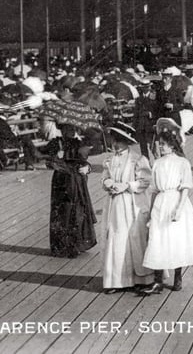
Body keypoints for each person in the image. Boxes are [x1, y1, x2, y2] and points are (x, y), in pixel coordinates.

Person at [142, 125, 193, 294]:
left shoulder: (182, 162)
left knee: (176, 239)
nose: (160, 147)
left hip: (176, 201)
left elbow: (185, 187)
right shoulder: (157, 164)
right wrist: (150, 213)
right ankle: (157, 280)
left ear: (172, 145)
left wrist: (179, 208)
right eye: (159, 144)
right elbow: (154, 190)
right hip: (161, 202)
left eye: (163, 144)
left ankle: (178, 276)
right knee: (157, 238)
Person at [100, 123, 154, 293]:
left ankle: (141, 278)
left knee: (135, 238)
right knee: (117, 238)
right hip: (115, 205)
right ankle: (117, 280)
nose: (114, 143)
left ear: (125, 141)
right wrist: (108, 182)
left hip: (132, 203)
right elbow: (105, 176)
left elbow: (145, 181)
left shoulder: (138, 159)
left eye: (118, 140)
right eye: (113, 140)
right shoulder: (110, 159)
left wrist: (126, 185)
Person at [39, 124, 98, 258]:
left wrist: (87, 168)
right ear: (62, 130)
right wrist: (55, 159)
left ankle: (76, 244)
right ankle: (60, 245)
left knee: (77, 210)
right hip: (61, 181)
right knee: (61, 211)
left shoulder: (79, 143)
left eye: (73, 129)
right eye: (67, 129)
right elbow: (47, 160)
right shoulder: (55, 143)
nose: (71, 132)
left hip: (76, 180)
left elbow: (84, 162)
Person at [133, 79, 157, 160]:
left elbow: (158, 110)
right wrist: (135, 126)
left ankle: (157, 160)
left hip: (151, 125)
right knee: (143, 146)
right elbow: (136, 113)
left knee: (152, 145)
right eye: (144, 87)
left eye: (147, 87)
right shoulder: (138, 99)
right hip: (141, 125)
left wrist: (153, 116)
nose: (146, 88)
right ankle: (146, 163)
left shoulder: (154, 97)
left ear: (150, 87)